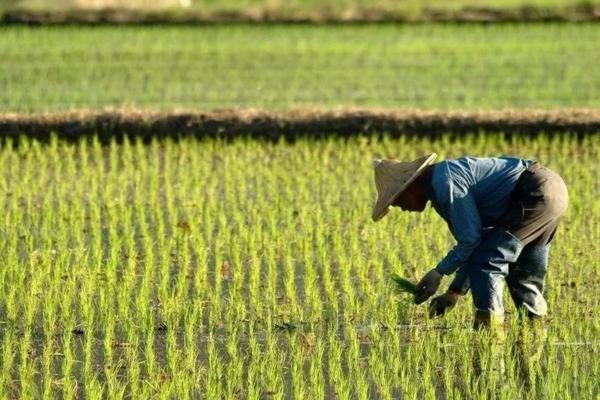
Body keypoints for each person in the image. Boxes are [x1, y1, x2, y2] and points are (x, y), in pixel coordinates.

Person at [371, 153, 568, 327]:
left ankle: (489, 335)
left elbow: (471, 242)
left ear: (408, 188)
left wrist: (438, 272)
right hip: (552, 189)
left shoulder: (445, 183)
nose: (400, 208)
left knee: (488, 262)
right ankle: (536, 330)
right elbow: (476, 244)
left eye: (396, 201)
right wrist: (453, 294)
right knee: (523, 274)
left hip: (534, 193)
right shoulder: (443, 179)